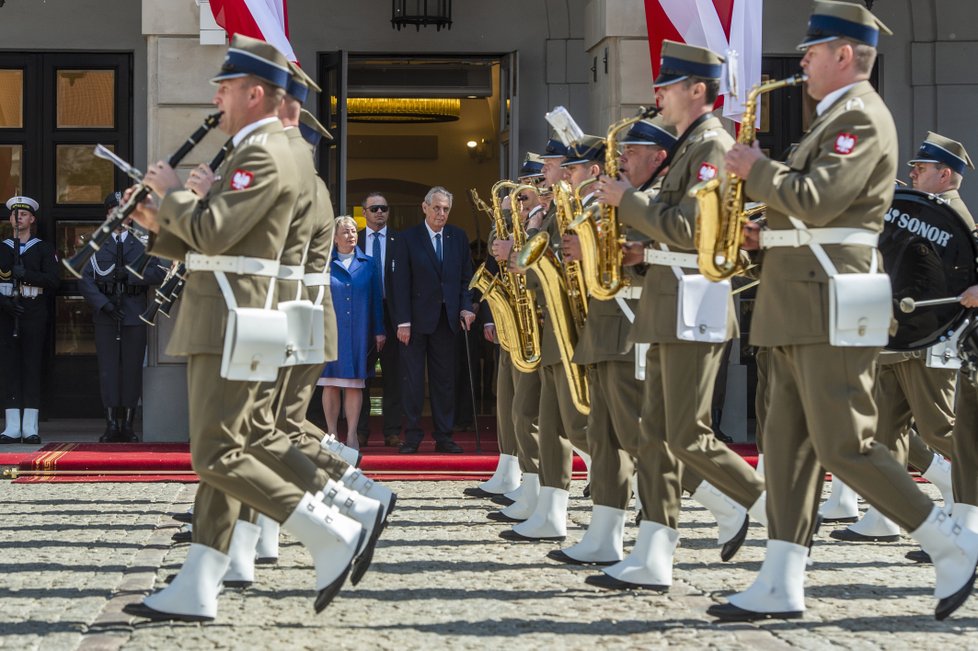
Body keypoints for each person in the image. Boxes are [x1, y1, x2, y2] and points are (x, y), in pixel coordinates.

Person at [713, 1, 978, 622]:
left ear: (842, 55)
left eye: (810, 51)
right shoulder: (832, 118)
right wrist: (760, 235)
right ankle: (780, 580)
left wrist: (755, 170)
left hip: (829, 303)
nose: (800, 61)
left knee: (846, 444)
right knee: (787, 448)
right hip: (797, 302)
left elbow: (819, 197)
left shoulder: (859, 115)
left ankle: (950, 541)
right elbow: (811, 215)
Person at [124, 35, 366, 622]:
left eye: (227, 88)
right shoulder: (262, 149)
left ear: (256, 94)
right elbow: (221, 243)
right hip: (235, 310)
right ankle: (199, 581)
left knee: (217, 454)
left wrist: (172, 195)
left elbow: (214, 233)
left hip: (233, 317)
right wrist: (160, 223)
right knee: (225, 452)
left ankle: (328, 530)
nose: (218, 97)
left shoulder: (263, 153)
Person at [590, 40, 766, 590]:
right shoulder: (691, 145)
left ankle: (775, 513)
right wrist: (640, 253)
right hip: (670, 304)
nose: (657, 95)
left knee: (687, 434)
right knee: (657, 435)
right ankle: (654, 553)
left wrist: (629, 202)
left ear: (696, 91)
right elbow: (680, 237)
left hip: (694, 309)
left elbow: (694, 230)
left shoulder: (710, 144)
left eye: (666, 86)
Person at [830, 132, 973, 544]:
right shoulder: (917, 210)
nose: (912, 172)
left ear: (945, 174)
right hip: (898, 338)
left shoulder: (954, 217)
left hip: (929, 340)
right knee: (882, 431)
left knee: (941, 429)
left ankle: (968, 506)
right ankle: (884, 515)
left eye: (921, 168)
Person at [391, 186, 476, 454]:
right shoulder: (407, 238)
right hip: (415, 322)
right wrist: (402, 321)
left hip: (447, 320)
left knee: (444, 381)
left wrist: (466, 307)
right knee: (414, 381)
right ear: (424, 207)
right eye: (436, 208)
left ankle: (444, 436)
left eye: (446, 209)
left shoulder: (458, 237)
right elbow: (399, 283)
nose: (441, 213)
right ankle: (413, 435)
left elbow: (467, 278)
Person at [78, 192, 167, 442]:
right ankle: (110, 424)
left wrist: (129, 276)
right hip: (106, 314)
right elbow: (84, 279)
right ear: (108, 213)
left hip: (134, 314)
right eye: (114, 210)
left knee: (131, 370)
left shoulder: (143, 243)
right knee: (108, 370)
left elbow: (159, 273)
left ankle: (127, 425)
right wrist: (104, 304)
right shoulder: (95, 243)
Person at [319, 216, 385, 450]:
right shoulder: (323, 264)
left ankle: (353, 435)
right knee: (331, 383)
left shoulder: (368, 263)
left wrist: (379, 330)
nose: (351, 236)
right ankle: (333, 433)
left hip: (359, 331)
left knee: (355, 384)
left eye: (354, 231)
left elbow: (376, 298)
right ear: (335, 238)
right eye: (346, 232)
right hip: (330, 332)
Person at [0, 196, 59, 445]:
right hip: (6, 312)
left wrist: (29, 276)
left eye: (24, 214)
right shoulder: (2, 248)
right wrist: (4, 302)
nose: (19, 218)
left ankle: (30, 426)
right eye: (15, 214)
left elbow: (53, 281)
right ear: (10, 219)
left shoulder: (43, 248)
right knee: (9, 367)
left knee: (32, 366)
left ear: (32, 219)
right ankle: (11, 426)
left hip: (33, 310)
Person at [356, 192, 402, 448]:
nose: (380, 212)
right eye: (374, 208)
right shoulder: (354, 240)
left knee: (393, 374)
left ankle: (392, 430)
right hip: (362, 313)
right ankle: (361, 430)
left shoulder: (400, 240)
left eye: (384, 208)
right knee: (362, 374)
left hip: (392, 313)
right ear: (364, 213)